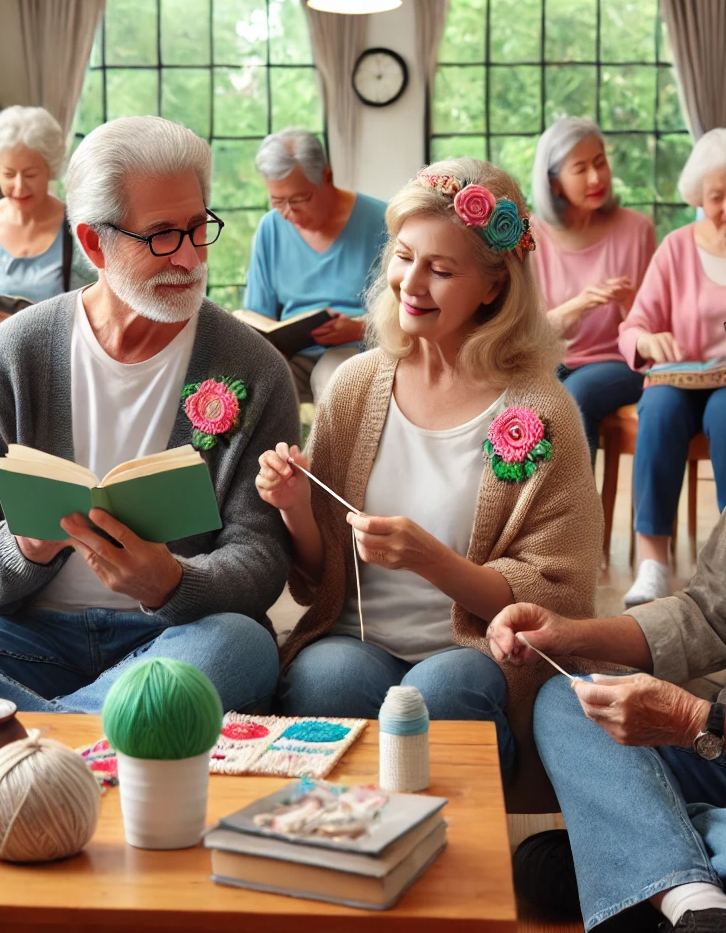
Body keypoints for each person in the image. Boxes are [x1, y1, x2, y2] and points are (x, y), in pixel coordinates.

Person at [0, 116, 300, 714]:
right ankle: (107, 725)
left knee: (242, 647)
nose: (187, 256)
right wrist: (24, 547)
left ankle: (31, 729)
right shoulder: (13, 354)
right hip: (27, 639)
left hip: (174, 639)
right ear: (93, 243)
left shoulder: (253, 366)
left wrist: (173, 583)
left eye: (195, 228)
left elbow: (262, 560)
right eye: (160, 235)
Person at [488, 207, 726, 933]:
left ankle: (636, 866)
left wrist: (699, 720)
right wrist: (575, 634)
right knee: (567, 700)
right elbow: (708, 613)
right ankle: (697, 899)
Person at [257, 159, 602, 777]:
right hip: (357, 637)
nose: (410, 284)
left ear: (494, 287)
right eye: (403, 256)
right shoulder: (356, 387)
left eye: (440, 270)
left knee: (446, 694)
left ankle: (458, 853)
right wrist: (295, 509)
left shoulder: (541, 409)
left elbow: (557, 592)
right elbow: (318, 575)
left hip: (471, 649)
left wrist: (431, 559)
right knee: (322, 680)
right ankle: (343, 841)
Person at [619, 127, 726, 605]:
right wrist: (649, 337)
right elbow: (634, 325)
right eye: (716, 196)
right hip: (678, 378)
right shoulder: (677, 247)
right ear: (698, 197)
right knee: (661, 410)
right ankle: (652, 563)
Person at [531, 117, 656, 462]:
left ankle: (576, 514)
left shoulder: (636, 229)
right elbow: (532, 333)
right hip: (550, 360)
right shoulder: (531, 236)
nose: (596, 177)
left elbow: (650, 326)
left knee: (577, 395)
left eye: (600, 162)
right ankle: (530, 512)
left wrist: (630, 304)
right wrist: (583, 303)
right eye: (581, 168)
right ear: (554, 183)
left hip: (618, 362)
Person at [244, 128, 387, 403]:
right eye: (277, 202)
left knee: (332, 374)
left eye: (299, 200)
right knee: (254, 386)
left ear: (327, 176)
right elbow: (257, 315)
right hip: (295, 353)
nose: (288, 213)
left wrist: (359, 328)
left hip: (359, 347)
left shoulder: (381, 220)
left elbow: (399, 310)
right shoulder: (270, 228)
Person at [0, 106, 96, 347]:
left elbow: (93, 318)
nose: (19, 187)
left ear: (50, 170)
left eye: (30, 175)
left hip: (57, 361)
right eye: (9, 174)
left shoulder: (76, 224)